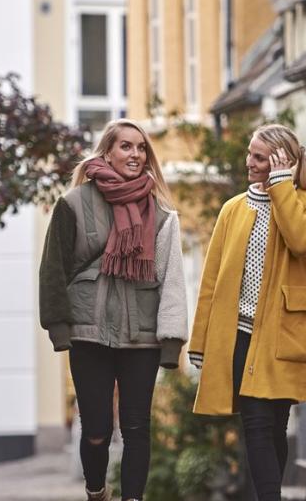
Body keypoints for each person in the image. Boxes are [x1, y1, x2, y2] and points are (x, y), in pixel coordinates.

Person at [39, 119, 188, 501]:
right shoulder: (73, 204)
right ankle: (96, 490)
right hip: (89, 333)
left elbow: (172, 279)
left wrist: (171, 340)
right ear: (107, 151)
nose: (135, 155)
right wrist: (59, 327)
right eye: (126, 146)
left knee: (137, 427)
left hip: (143, 336)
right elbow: (53, 269)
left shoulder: (163, 215)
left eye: (141, 148)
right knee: (97, 428)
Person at [188, 123, 306, 501]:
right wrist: (200, 340)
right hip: (240, 336)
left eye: (259, 157)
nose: (249, 162)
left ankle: (268, 493)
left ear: (280, 162)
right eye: (250, 153)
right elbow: (211, 279)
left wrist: (282, 186)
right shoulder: (233, 209)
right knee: (255, 423)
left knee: (275, 426)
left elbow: (301, 240)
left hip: (283, 336)